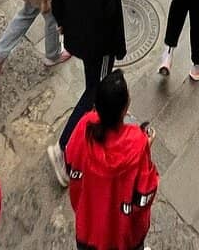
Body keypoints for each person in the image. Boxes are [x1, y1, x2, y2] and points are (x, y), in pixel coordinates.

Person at [48, 0, 127, 187]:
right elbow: (114, 17)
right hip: (99, 46)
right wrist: (119, 49)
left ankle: (94, 126)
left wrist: (61, 22)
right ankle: (64, 146)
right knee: (95, 90)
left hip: (77, 38)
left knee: (92, 83)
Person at [64, 70, 159, 250]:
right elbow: (145, 194)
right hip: (123, 237)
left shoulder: (85, 125)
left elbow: (70, 163)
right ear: (125, 109)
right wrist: (146, 147)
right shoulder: (137, 143)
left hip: (88, 229)